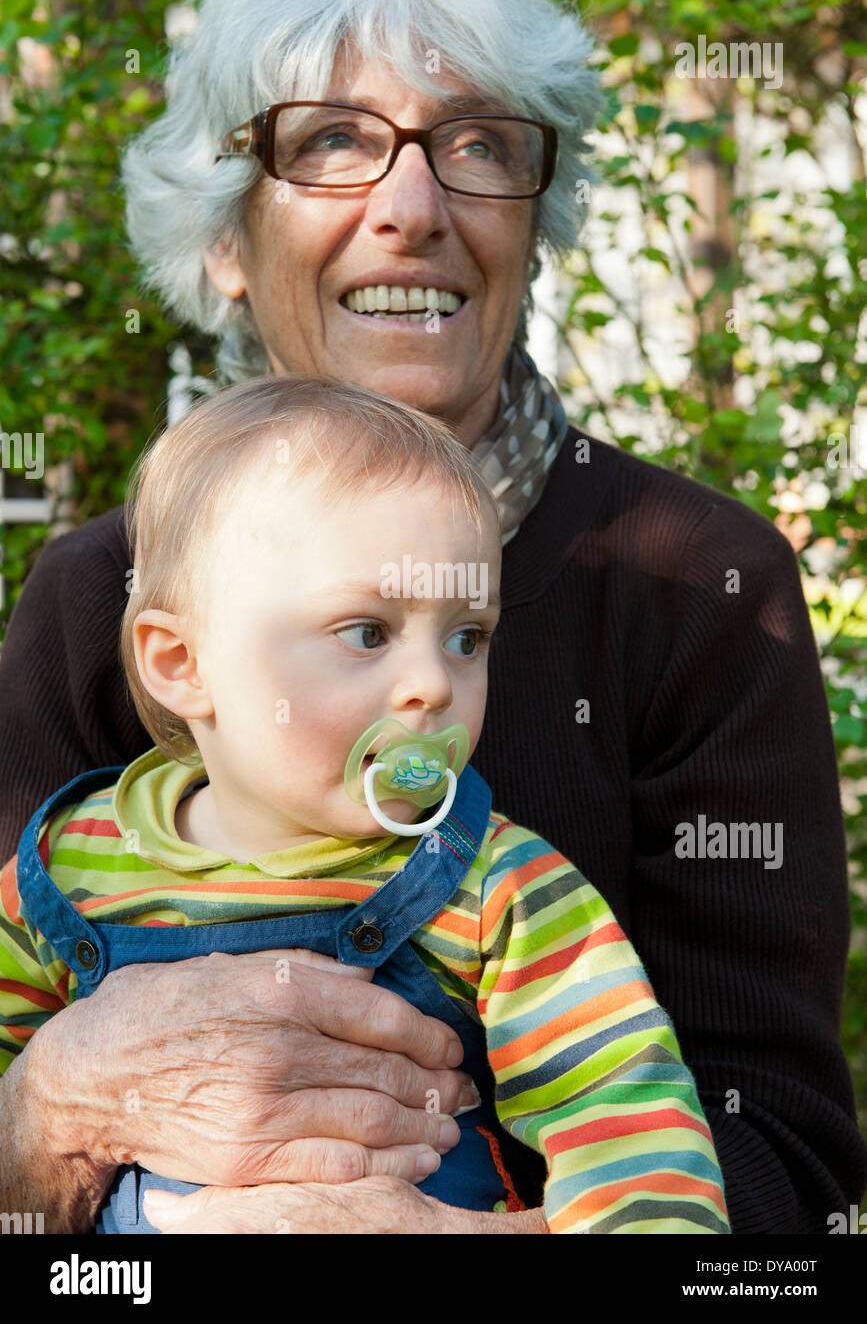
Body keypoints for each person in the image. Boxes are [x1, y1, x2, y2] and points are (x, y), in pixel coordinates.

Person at [0, 0, 863, 1235]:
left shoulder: (700, 586)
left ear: (531, 220)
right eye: (333, 140)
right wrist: (52, 1114)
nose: (411, 206)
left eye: (475, 143)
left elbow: (782, 1155)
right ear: (226, 235)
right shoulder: (96, 597)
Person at [0, 375, 731, 1237]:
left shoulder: (500, 886)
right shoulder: (63, 874)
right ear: (182, 664)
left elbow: (623, 1113)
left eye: (467, 638)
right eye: (367, 633)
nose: (431, 685)